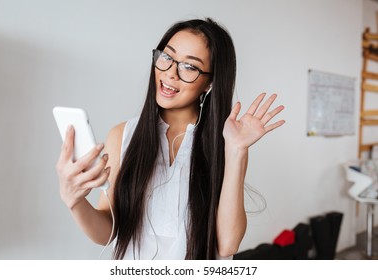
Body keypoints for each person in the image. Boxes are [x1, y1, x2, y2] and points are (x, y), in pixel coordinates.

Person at [55, 18, 285, 260]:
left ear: (210, 82)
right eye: (167, 57)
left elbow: (227, 245)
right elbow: (107, 233)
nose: (170, 73)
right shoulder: (122, 135)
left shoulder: (227, 142)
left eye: (189, 67)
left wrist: (237, 150)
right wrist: (75, 202)